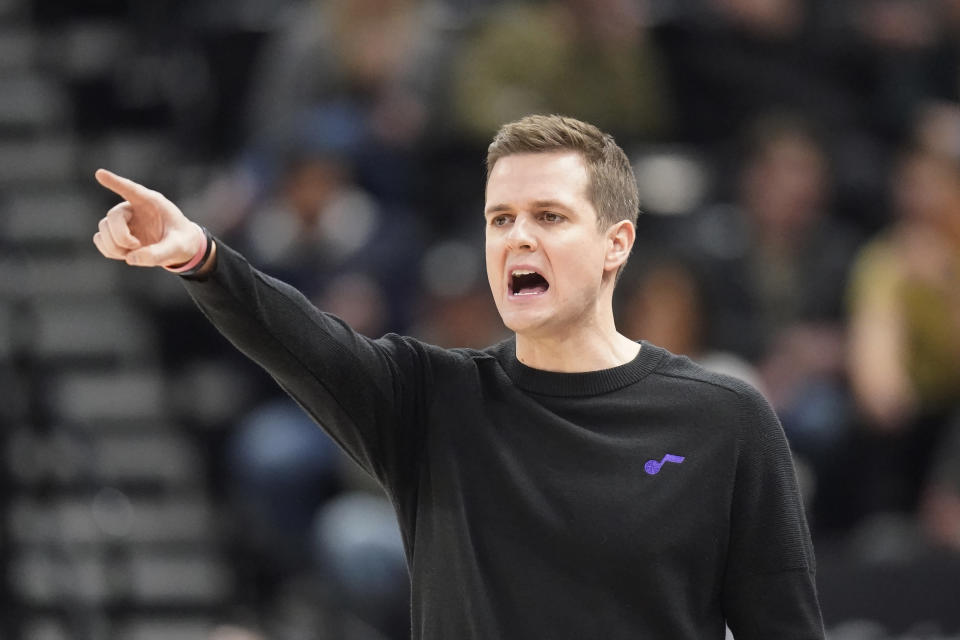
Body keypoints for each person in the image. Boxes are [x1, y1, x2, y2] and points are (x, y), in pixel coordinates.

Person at [92, 115, 824, 639]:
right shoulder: (431, 402)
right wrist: (201, 257)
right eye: (499, 218)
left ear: (615, 244)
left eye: (549, 215)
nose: (518, 238)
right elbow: (304, 341)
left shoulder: (723, 419)